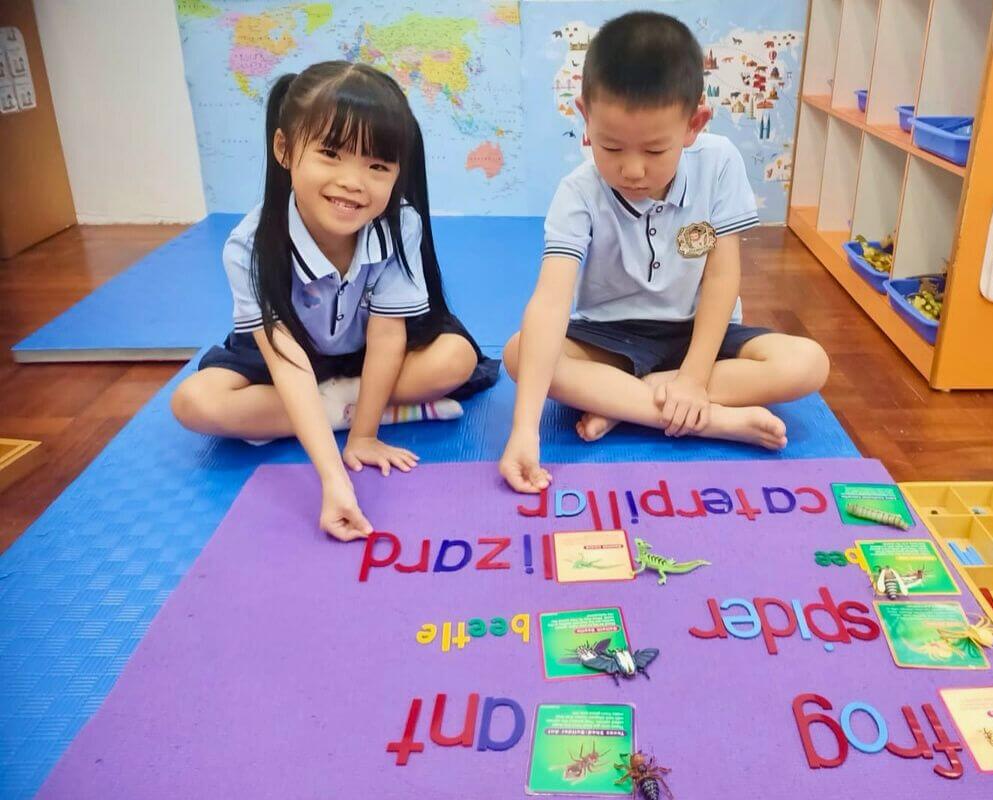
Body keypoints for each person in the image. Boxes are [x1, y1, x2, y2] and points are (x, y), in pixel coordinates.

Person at [499, 12, 828, 493]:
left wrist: (693, 378)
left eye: (654, 151)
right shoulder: (577, 192)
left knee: (808, 362)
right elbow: (550, 301)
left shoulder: (719, 163)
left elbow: (720, 278)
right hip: (611, 337)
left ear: (694, 123)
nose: (632, 170)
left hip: (699, 334)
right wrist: (524, 430)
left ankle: (626, 403)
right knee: (519, 352)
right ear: (585, 117)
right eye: (610, 147)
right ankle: (704, 418)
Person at [172, 62, 498, 540]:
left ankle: (345, 409)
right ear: (284, 149)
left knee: (456, 358)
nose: (352, 182)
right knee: (194, 402)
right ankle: (351, 407)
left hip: (368, 352)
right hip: (291, 359)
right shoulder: (248, 247)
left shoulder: (399, 222)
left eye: (377, 166)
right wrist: (333, 477)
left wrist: (364, 437)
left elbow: (388, 335)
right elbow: (286, 365)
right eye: (330, 154)